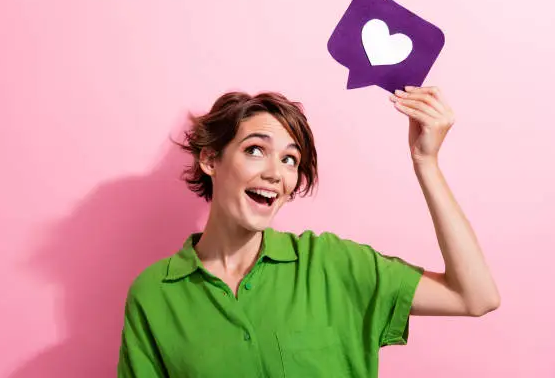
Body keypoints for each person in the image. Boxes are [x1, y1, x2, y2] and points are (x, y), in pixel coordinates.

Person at [117, 87, 500, 377]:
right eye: (255, 150)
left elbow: (475, 296)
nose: (275, 173)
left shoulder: (333, 264)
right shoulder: (153, 295)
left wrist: (426, 162)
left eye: (290, 159)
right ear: (210, 159)